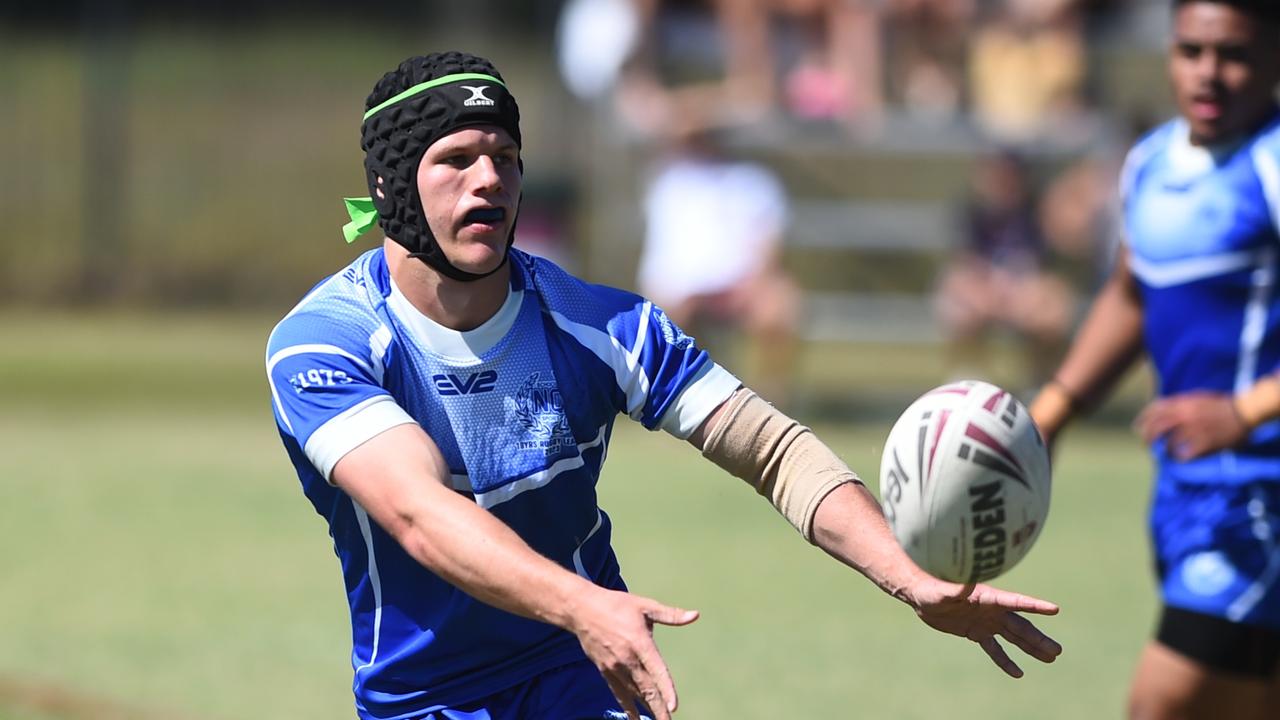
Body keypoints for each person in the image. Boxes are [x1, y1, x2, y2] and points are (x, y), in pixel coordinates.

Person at [266, 51, 1061, 720]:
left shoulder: (603, 327)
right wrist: (583, 603)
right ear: (392, 185)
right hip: (426, 698)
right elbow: (418, 513)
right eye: (457, 159)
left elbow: (772, 450)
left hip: (583, 671)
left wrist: (909, 576)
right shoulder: (325, 344)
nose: (489, 182)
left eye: (505, 158)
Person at [1028, 2, 1280, 718]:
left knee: (1162, 705)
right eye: (1190, 50)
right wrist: (1051, 413)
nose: (1208, 72)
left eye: (1232, 53)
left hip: (1260, 495)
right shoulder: (1152, 161)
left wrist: (1246, 409)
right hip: (1187, 493)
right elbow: (1133, 293)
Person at [636, 116, 801, 407]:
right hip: (685, 286)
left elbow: (767, 249)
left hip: (741, 284)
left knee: (780, 307)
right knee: (665, 316)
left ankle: (770, 404)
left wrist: (751, 284)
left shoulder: (752, 181)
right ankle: (680, 403)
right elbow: (663, 262)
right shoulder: (668, 183)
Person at [935, 149, 1075, 388]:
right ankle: (968, 376)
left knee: (1051, 309)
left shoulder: (1036, 214)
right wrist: (991, 290)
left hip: (1024, 292)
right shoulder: (971, 212)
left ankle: (1041, 380)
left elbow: (1047, 270)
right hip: (985, 289)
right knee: (961, 302)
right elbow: (965, 265)